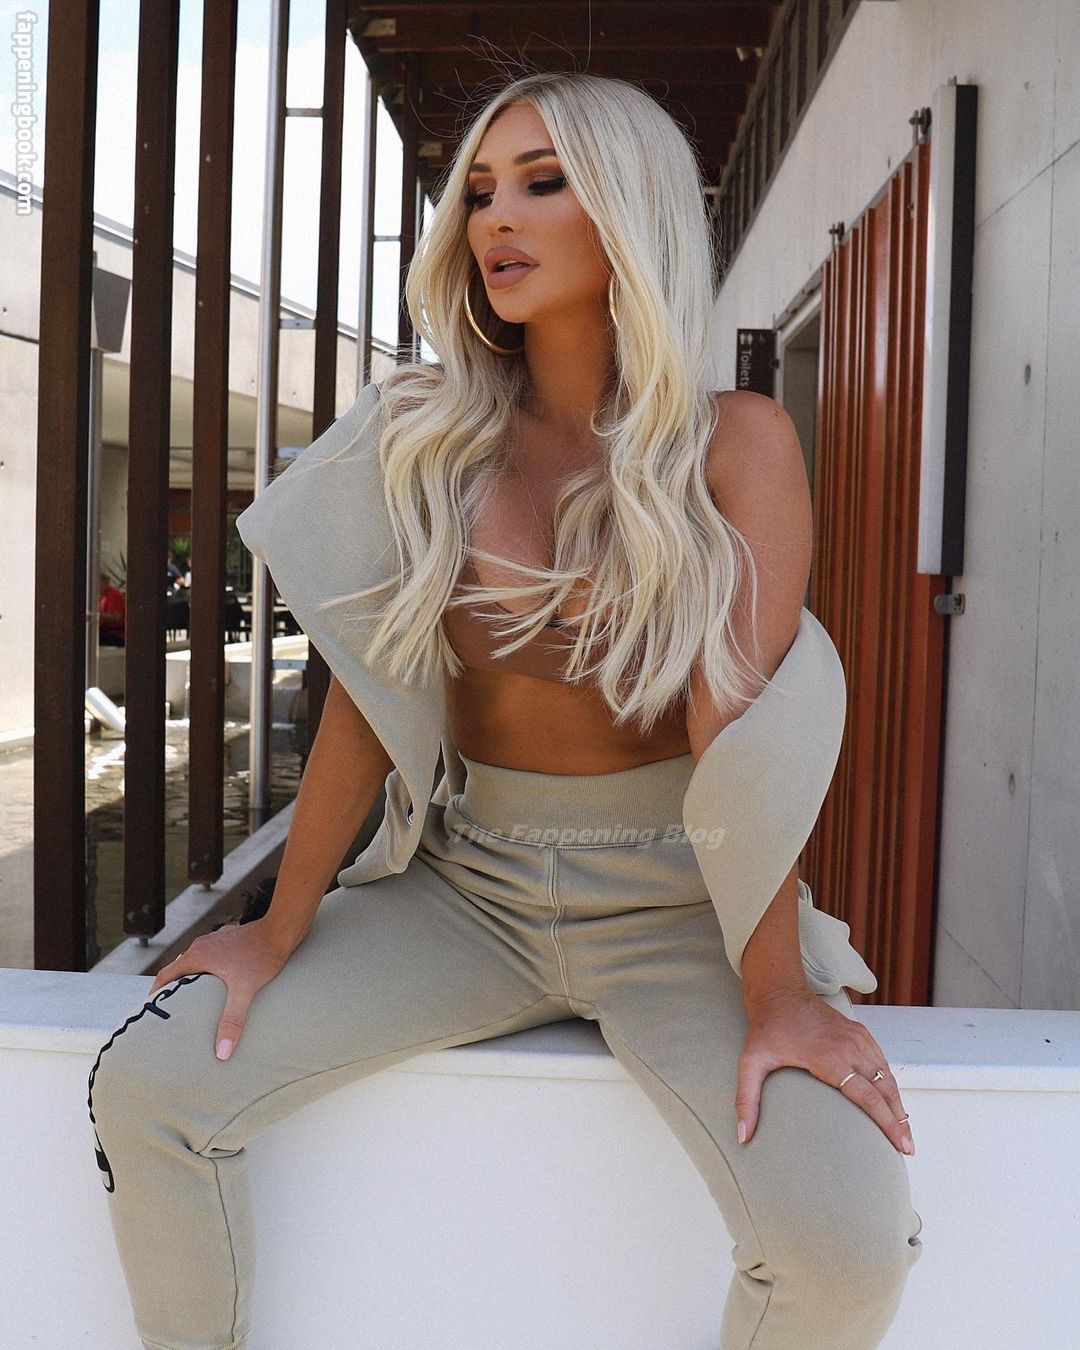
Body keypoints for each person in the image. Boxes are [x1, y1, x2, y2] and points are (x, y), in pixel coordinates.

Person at [87, 71, 923, 1349]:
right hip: (464, 890)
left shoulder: (737, 442)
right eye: (480, 191)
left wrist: (779, 996)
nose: (496, 220)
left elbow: (738, 735)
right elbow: (368, 701)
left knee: (844, 1246)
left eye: (543, 183)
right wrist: (275, 925)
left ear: (631, 212)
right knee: (150, 1085)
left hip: (683, 905)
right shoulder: (418, 432)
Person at [97, 571, 126, 647]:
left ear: (105, 583)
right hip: (107, 631)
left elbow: (116, 617)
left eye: (98, 584)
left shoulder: (114, 595)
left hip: (117, 634)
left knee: (92, 634)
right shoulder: (103, 596)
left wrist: (98, 615)